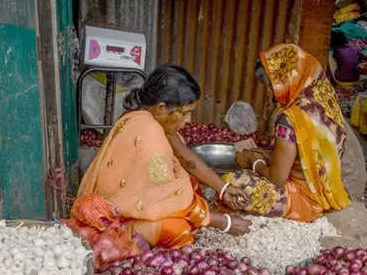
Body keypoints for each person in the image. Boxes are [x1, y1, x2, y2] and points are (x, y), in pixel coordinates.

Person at [77, 65, 251, 249]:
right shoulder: (148, 133)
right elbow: (164, 194)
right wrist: (223, 222)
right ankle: (127, 233)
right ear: (161, 108)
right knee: (176, 230)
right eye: (184, 113)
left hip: (133, 198)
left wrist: (223, 189)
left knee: (188, 182)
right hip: (117, 216)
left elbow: (187, 159)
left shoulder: (149, 115)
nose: (189, 120)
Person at [230, 43, 352, 221]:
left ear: (289, 79)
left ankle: (297, 208)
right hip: (328, 186)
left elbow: (277, 179)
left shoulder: (290, 119)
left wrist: (253, 161)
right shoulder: (324, 96)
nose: (270, 92)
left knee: (231, 182)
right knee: (260, 153)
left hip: (306, 197)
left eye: (272, 86)